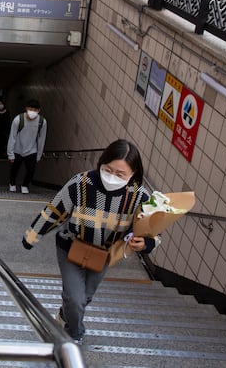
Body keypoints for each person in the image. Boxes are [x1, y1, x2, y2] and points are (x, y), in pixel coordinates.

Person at [21, 139, 158, 345]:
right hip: (70, 247)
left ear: (133, 173)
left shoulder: (140, 197)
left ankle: (65, 315)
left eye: (120, 174)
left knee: (84, 297)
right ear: (101, 163)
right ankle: (75, 334)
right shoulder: (81, 183)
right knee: (75, 299)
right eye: (108, 169)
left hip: (104, 254)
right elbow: (55, 211)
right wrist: (31, 237)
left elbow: (153, 229)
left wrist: (147, 243)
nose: (112, 177)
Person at [6, 100, 46, 193]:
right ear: (26, 108)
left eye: (35, 109)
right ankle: (12, 184)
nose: (32, 111)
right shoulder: (18, 119)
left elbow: (41, 139)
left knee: (31, 170)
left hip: (32, 149)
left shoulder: (42, 122)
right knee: (15, 169)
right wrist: (10, 153)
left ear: (39, 110)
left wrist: (38, 155)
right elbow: (12, 136)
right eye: (30, 108)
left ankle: (25, 185)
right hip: (18, 149)